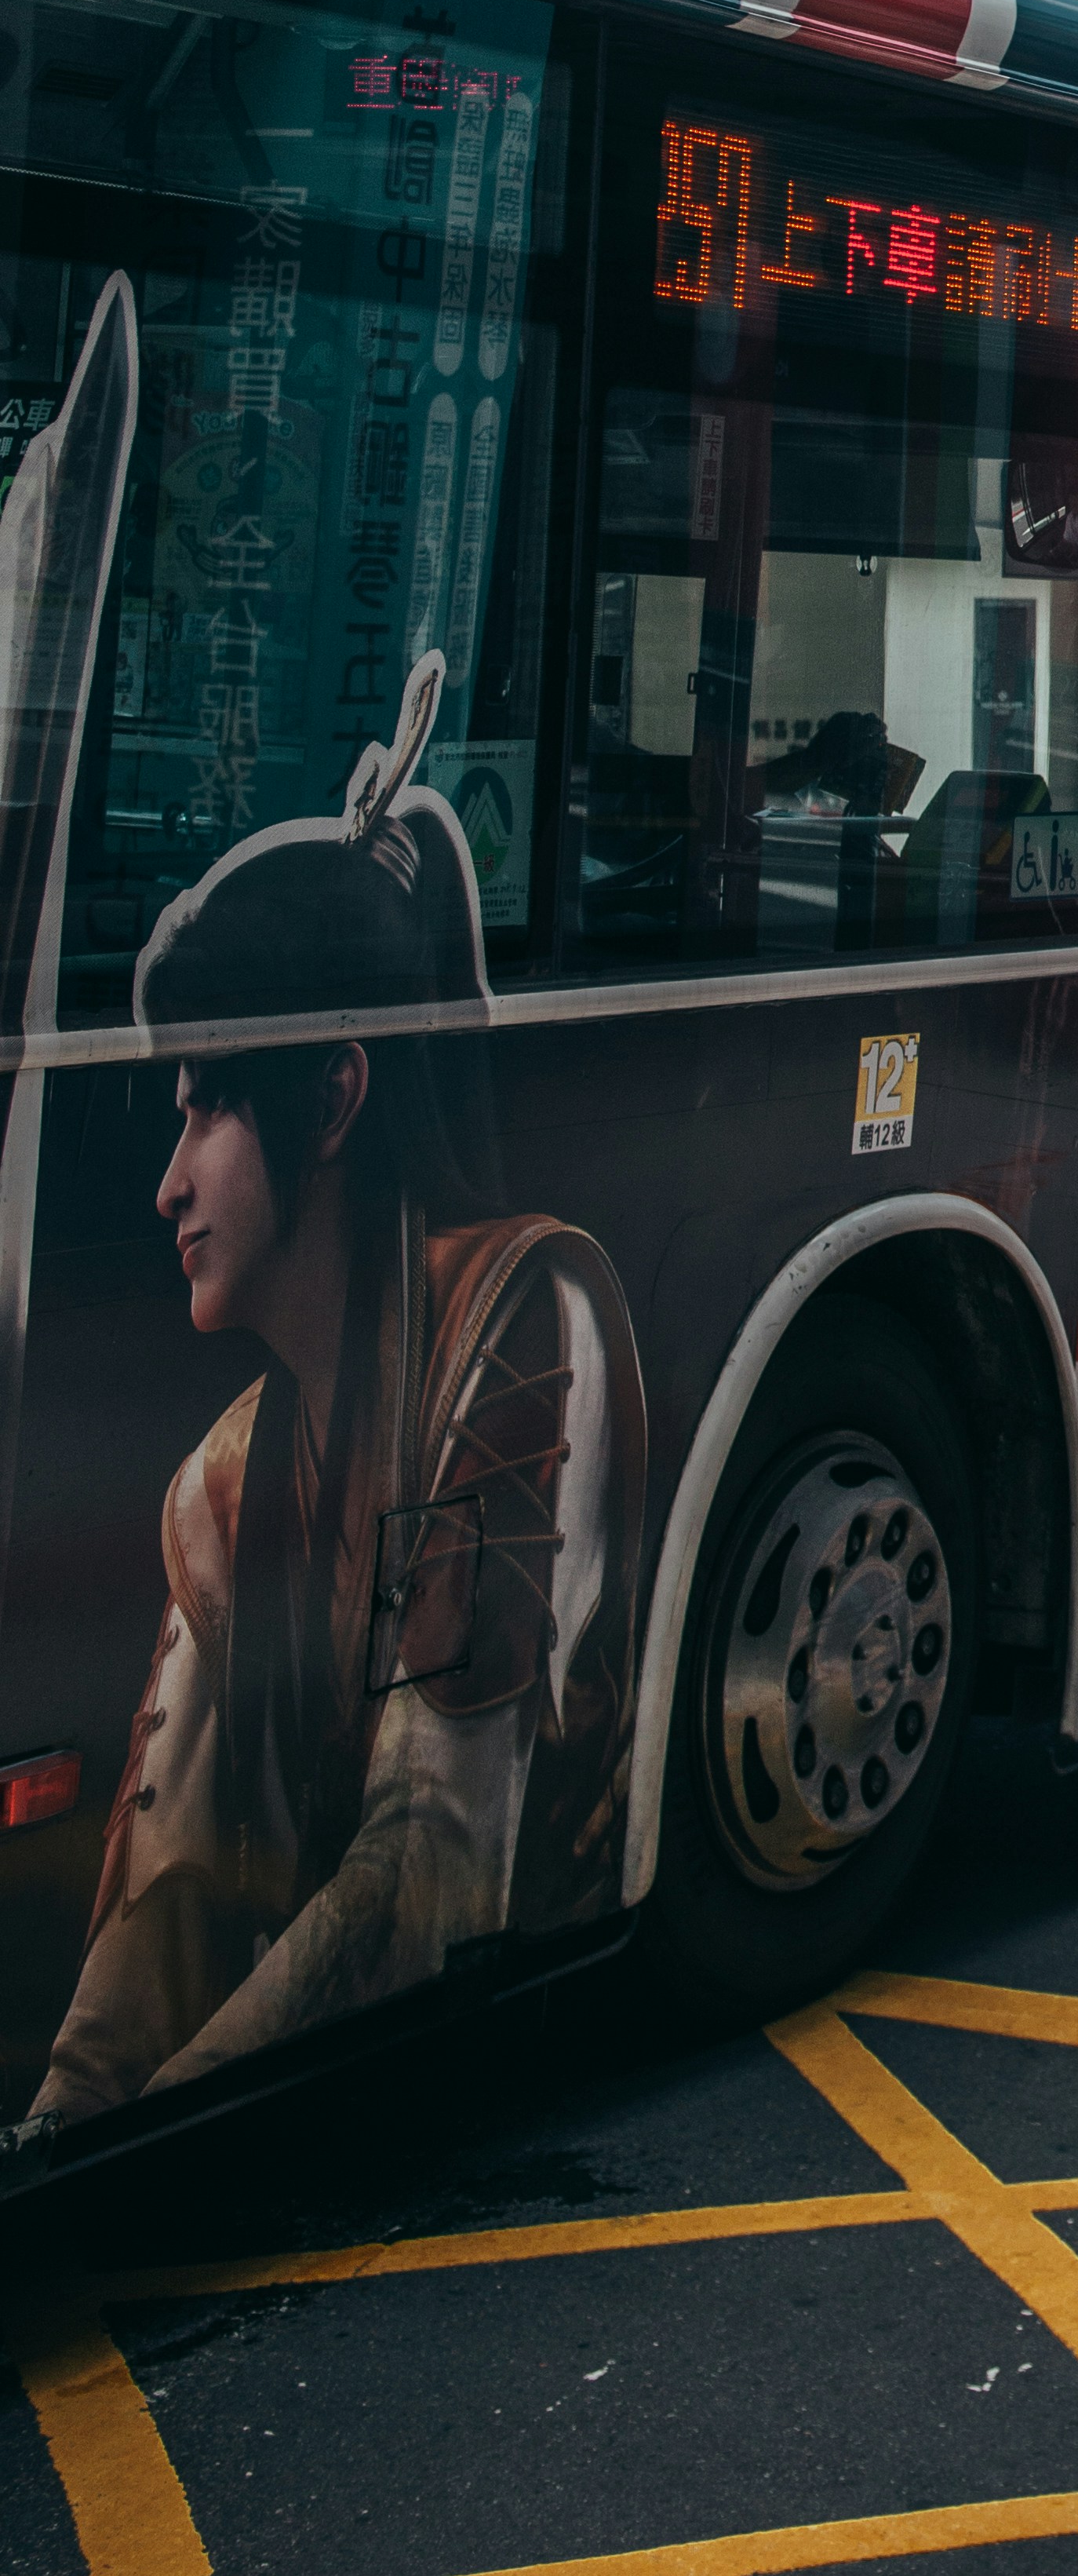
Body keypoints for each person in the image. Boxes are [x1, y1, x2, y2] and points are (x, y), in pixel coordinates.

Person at [23, 660, 645, 2136]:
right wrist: (67, 2127)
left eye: (212, 1103)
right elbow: (167, 1886)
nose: (170, 1179)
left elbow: (437, 1856)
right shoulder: (217, 1484)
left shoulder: (521, 1319)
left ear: (339, 1100)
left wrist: (153, 2130)